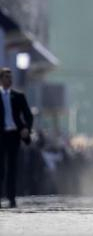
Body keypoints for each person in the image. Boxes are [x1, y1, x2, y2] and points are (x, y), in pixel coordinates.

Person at [0, 67, 33, 208]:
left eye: (11, 77)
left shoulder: (19, 96)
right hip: (1, 136)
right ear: (1, 79)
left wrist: (26, 128)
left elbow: (28, 115)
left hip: (14, 135)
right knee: (0, 168)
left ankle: (11, 197)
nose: (10, 79)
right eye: (7, 77)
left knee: (12, 168)